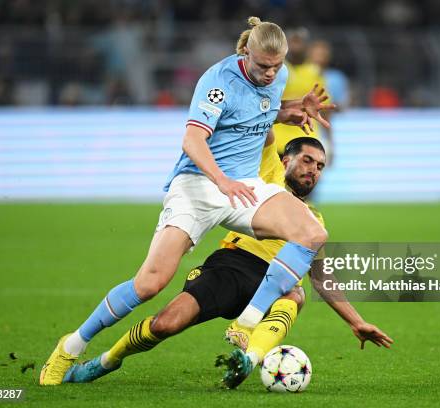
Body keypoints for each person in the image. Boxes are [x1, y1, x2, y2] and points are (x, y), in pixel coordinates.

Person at [39, 16, 334, 386]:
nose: (270, 73)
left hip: (244, 186)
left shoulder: (277, 77)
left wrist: (290, 107)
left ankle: (247, 323)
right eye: (262, 66)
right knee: (149, 283)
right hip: (198, 185)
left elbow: (258, 107)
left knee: (311, 232)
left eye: (277, 66)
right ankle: (70, 345)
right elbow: (192, 141)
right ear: (245, 52)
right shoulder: (216, 83)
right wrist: (221, 180)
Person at [61, 137, 392, 387]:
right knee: (165, 324)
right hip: (231, 267)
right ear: (285, 160)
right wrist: (279, 102)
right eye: (307, 160)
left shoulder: (313, 222)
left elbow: (321, 276)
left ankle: (247, 360)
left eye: (320, 166)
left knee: (296, 293)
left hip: (273, 281)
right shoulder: (267, 175)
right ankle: (106, 361)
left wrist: (355, 321)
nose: (313, 170)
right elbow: (264, 134)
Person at [273, 28, 327, 155]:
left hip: (307, 139)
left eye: (299, 41)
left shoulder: (315, 71)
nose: (296, 45)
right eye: (293, 41)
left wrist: (329, 140)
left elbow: (323, 106)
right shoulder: (275, 69)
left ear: (307, 45)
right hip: (276, 140)